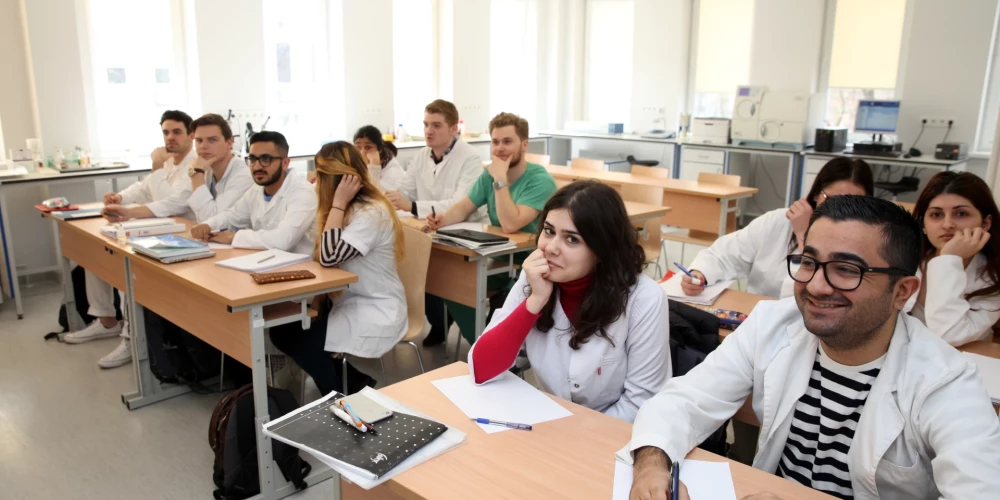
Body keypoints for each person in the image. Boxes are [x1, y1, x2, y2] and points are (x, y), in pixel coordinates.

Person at [628, 196, 1000, 500]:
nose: (817, 286)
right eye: (808, 262)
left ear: (901, 292)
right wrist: (651, 464)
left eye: (847, 269)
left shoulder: (947, 381)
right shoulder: (773, 323)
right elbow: (685, 400)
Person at [469, 181, 668, 423]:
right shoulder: (534, 278)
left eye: (572, 239)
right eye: (549, 231)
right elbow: (482, 368)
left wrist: (573, 435)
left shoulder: (644, 298)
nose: (551, 248)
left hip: (613, 433)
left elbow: (641, 404)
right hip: (550, 424)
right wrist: (535, 301)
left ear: (602, 249)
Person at [270, 142, 407, 395]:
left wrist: (338, 203)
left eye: (320, 177)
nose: (315, 184)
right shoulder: (346, 208)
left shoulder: (371, 212)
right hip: (347, 301)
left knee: (307, 344)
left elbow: (328, 256)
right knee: (281, 330)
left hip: (375, 306)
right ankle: (354, 383)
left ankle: (338, 401)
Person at [63, 111, 196, 366]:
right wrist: (120, 198)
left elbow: (170, 203)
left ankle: (131, 338)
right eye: (166, 132)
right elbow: (142, 188)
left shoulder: (194, 165)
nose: (170, 137)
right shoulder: (168, 163)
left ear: (191, 135)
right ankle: (106, 320)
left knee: (127, 265)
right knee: (95, 253)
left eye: (177, 132)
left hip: (181, 233)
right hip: (160, 227)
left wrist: (156, 170)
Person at [426, 112, 557, 345]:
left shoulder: (539, 179)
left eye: (507, 141)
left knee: (499, 302)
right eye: (495, 142)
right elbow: (464, 207)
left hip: (531, 264)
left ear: (524, 144)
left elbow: (510, 224)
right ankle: (484, 343)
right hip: (498, 258)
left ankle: (494, 344)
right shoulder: (489, 176)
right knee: (453, 282)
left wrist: (500, 179)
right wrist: (442, 220)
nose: (499, 148)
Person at [682, 157, 873, 299]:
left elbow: (804, 296)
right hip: (757, 319)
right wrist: (701, 274)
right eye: (832, 199)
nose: (842, 210)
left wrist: (803, 235)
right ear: (816, 194)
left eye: (854, 203)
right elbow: (723, 254)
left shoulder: (867, 242)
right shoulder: (780, 221)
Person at [385, 99, 483, 347]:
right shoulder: (421, 155)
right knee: (421, 272)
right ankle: (439, 322)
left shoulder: (470, 158)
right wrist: (389, 198)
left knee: (450, 280)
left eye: (436, 125)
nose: (429, 131)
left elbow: (459, 203)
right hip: (430, 230)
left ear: (453, 129)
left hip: (464, 232)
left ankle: (455, 326)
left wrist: (412, 206)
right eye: (426, 124)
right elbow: (404, 190)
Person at [905, 171, 1000, 346]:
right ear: (923, 224)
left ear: (985, 223)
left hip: (963, 357)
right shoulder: (902, 257)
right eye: (936, 215)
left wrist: (949, 259)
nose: (948, 224)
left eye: (961, 214)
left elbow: (949, 336)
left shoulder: (992, 276)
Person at [190, 131, 317, 254]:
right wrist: (208, 225)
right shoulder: (256, 190)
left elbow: (284, 240)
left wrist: (232, 237)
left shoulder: (302, 193)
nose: (257, 167)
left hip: (300, 265)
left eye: (266, 159)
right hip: (265, 260)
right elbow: (232, 216)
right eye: (253, 159)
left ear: (285, 163)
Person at [185, 113, 254, 222]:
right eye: (199, 140)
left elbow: (209, 221)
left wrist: (196, 174)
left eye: (212, 140)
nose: (203, 146)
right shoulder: (206, 169)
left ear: (229, 142)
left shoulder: (243, 176)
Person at [353, 125, 405, 191]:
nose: (362, 153)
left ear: (379, 149)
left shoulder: (393, 172)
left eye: (368, 147)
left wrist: (374, 166)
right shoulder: (355, 160)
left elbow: (372, 194)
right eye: (358, 147)